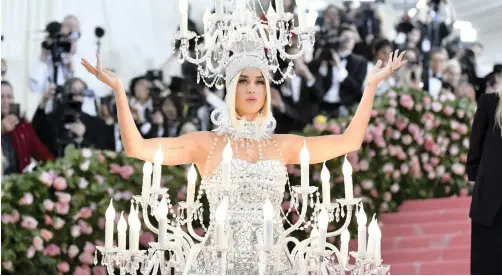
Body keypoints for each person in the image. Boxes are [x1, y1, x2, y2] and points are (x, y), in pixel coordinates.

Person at [82, 47, 405, 273]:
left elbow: (349, 141)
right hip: (215, 262)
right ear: (231, 89)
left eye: (260, 82)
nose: (252, 88)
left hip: (275, 262)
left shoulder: (283, 145)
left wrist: (370, 87)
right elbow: (137, 148)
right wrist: (120, 91)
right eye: (244, 81)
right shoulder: (206, 143)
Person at [466, 90, 502, 274]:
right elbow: (475, 147)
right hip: (490, 203)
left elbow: (475, 149)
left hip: (489, 195)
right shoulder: (490, 101)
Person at [1, 81, 54, 175]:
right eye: (1, 97)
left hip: (19, 181)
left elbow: (41, 152)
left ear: (13, 99)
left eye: (9, 97)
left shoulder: (22, 124)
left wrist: (58, 167)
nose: (5, 101)